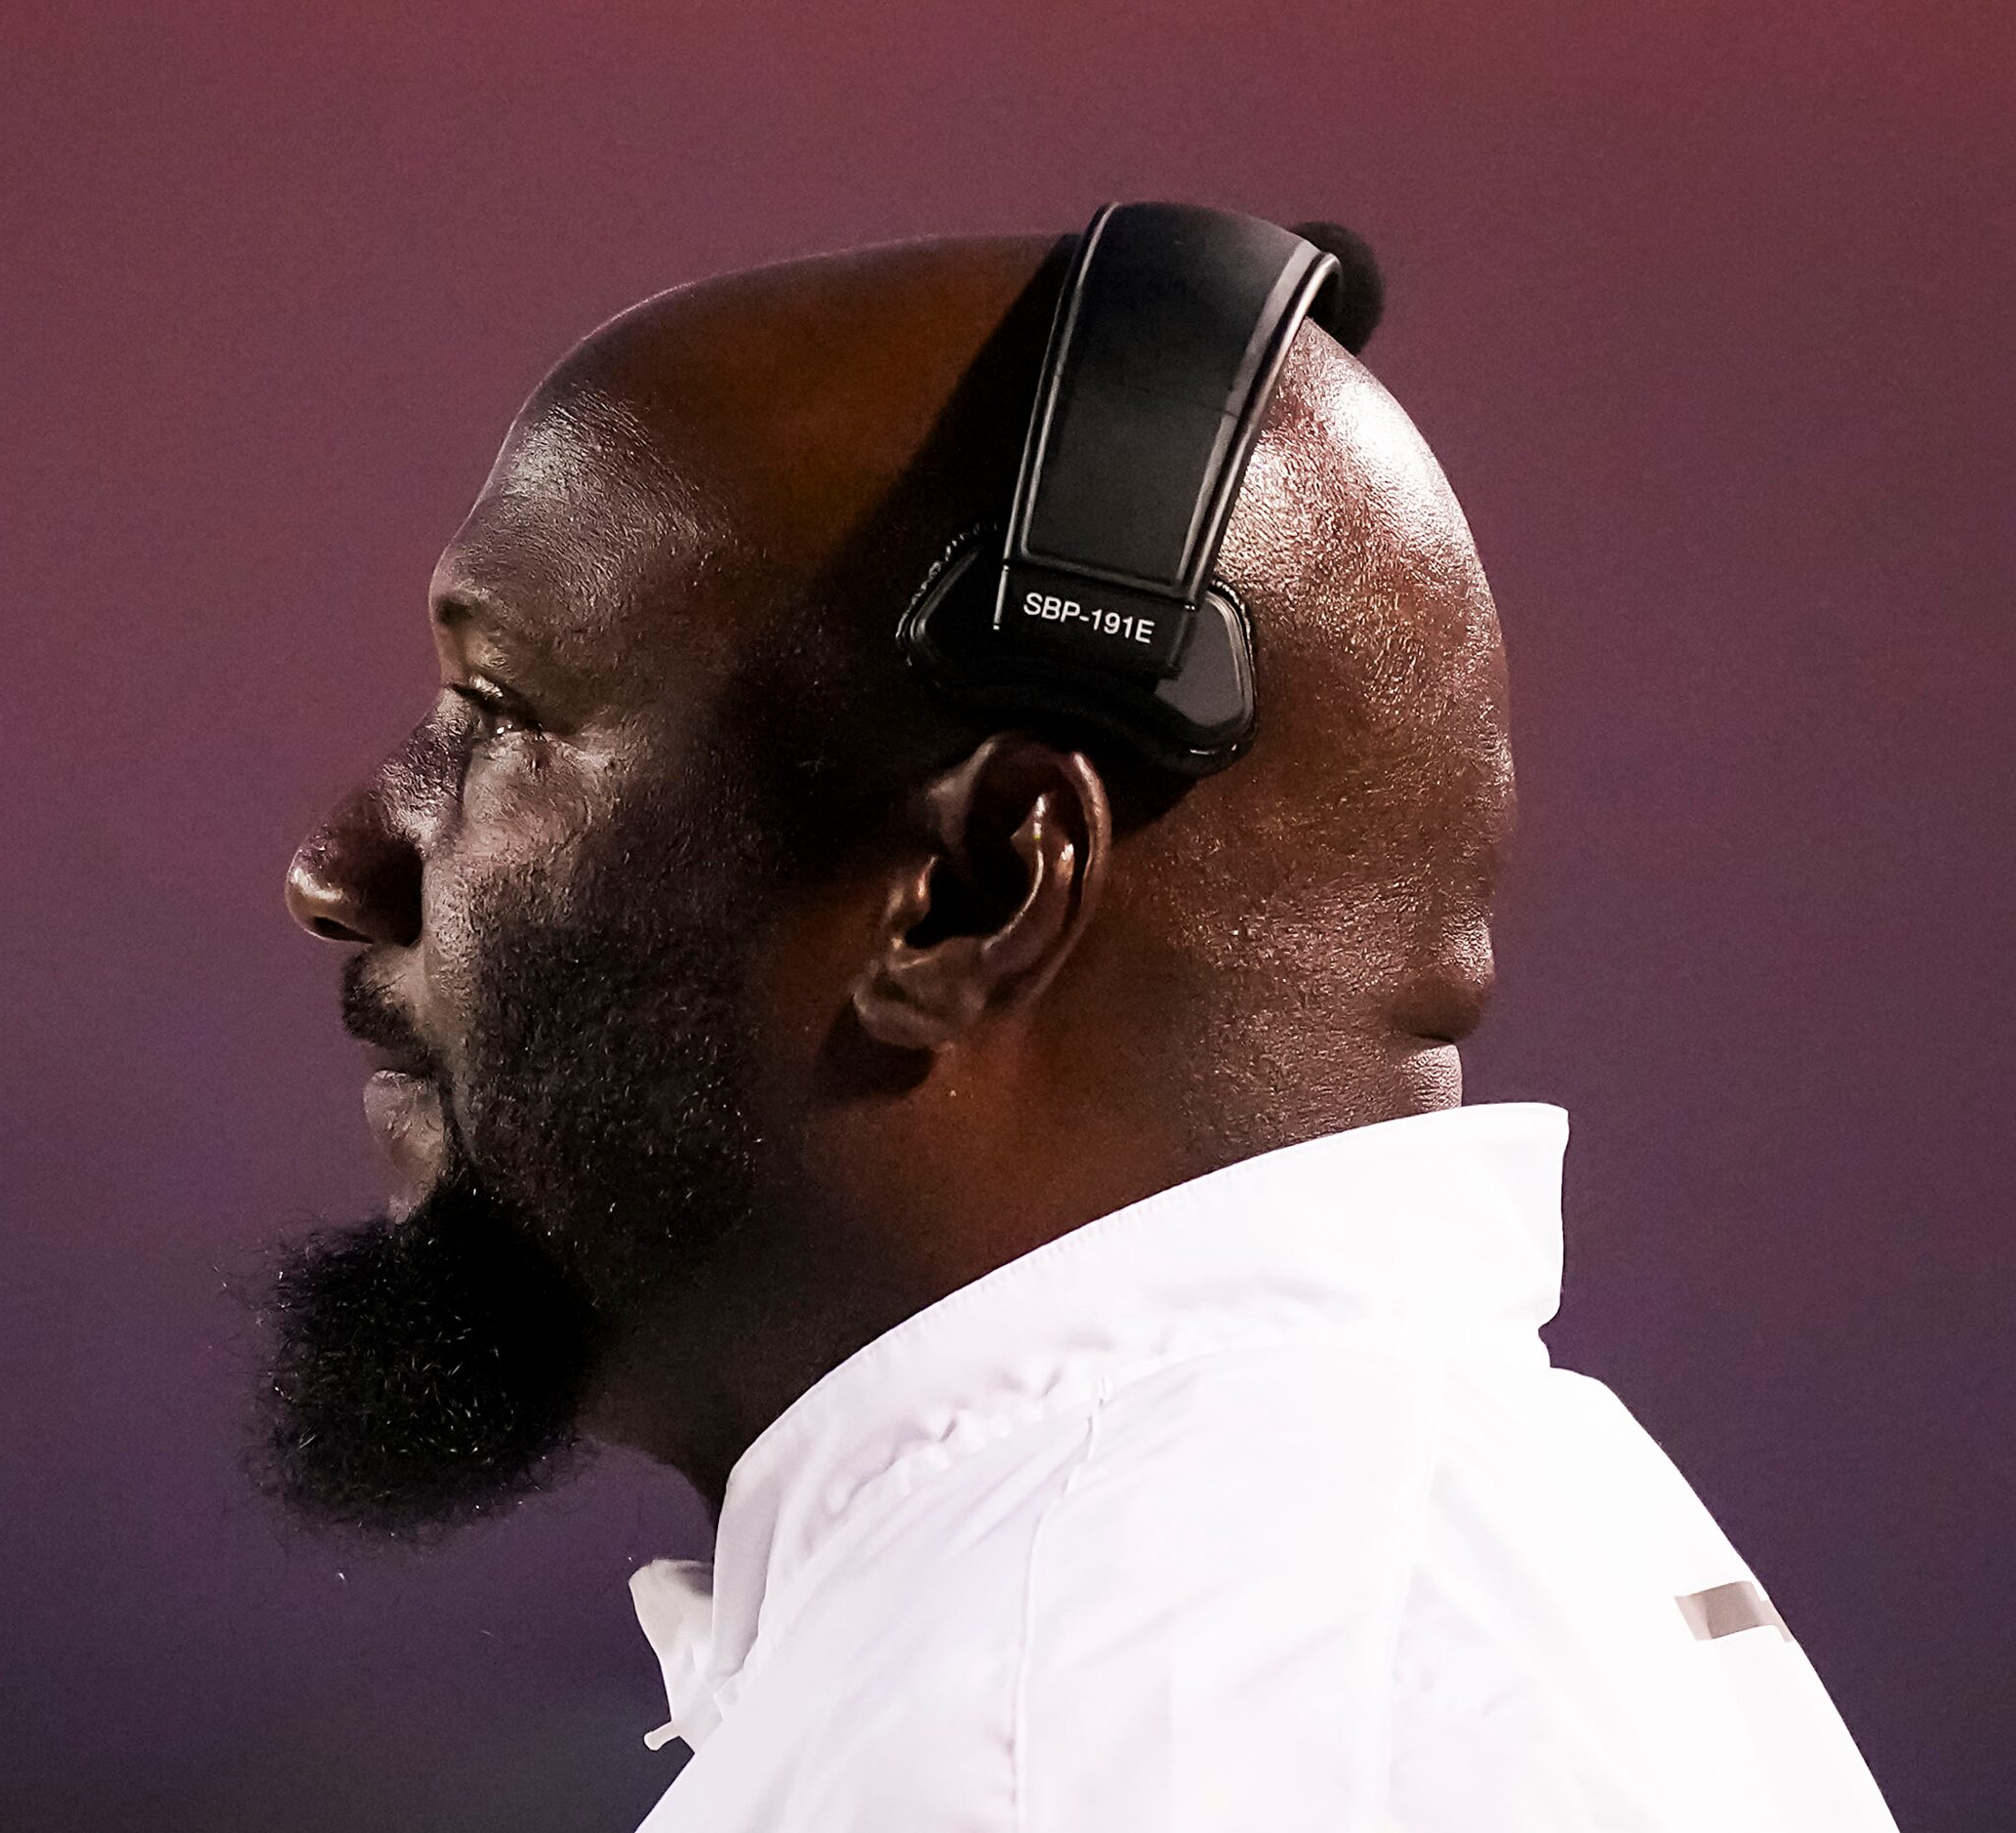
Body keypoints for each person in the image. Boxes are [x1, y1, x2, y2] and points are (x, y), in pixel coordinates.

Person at [261, 215, 1898, 1830]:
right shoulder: (1316, 1595)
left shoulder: (1087, 1726)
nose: (337, 865)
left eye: (497, 713)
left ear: (971, 895)